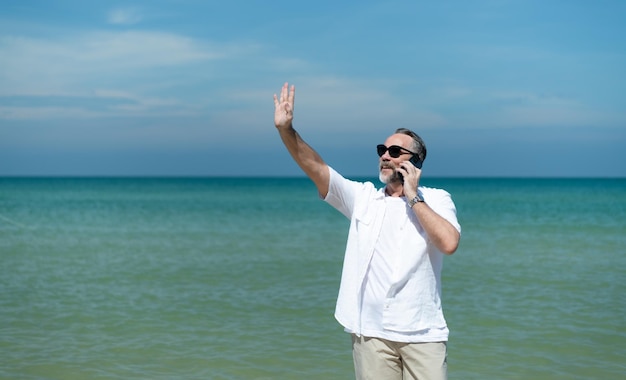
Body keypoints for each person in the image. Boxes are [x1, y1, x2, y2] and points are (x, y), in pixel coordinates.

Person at [273, 82, 461, 380]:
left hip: (423, 332)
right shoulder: (363, 198)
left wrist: (413, 198)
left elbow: (449, 243)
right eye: (382, 149)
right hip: (370, 333)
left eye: (395, 150)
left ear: (416, 162)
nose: (385, 155)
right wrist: (286, 130)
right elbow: (317, 168)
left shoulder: (436, 198)